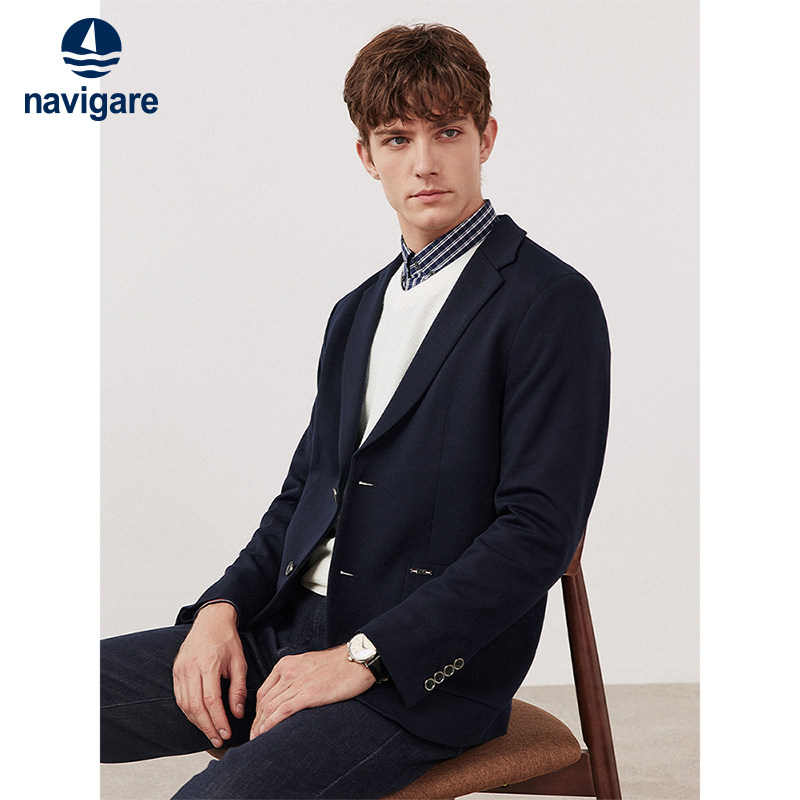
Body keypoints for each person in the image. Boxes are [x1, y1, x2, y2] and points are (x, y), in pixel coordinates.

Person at [101, 22, 610, 799]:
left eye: (448, 132)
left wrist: (365, 655)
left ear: (486, 138)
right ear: (368, 156)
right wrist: (218, 609)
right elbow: (301, 498)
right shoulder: (357, 312)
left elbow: (537, 534)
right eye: (397, 138)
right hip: (283, 632)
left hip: (418, 674)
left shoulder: (549, 302)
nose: (425, 161)